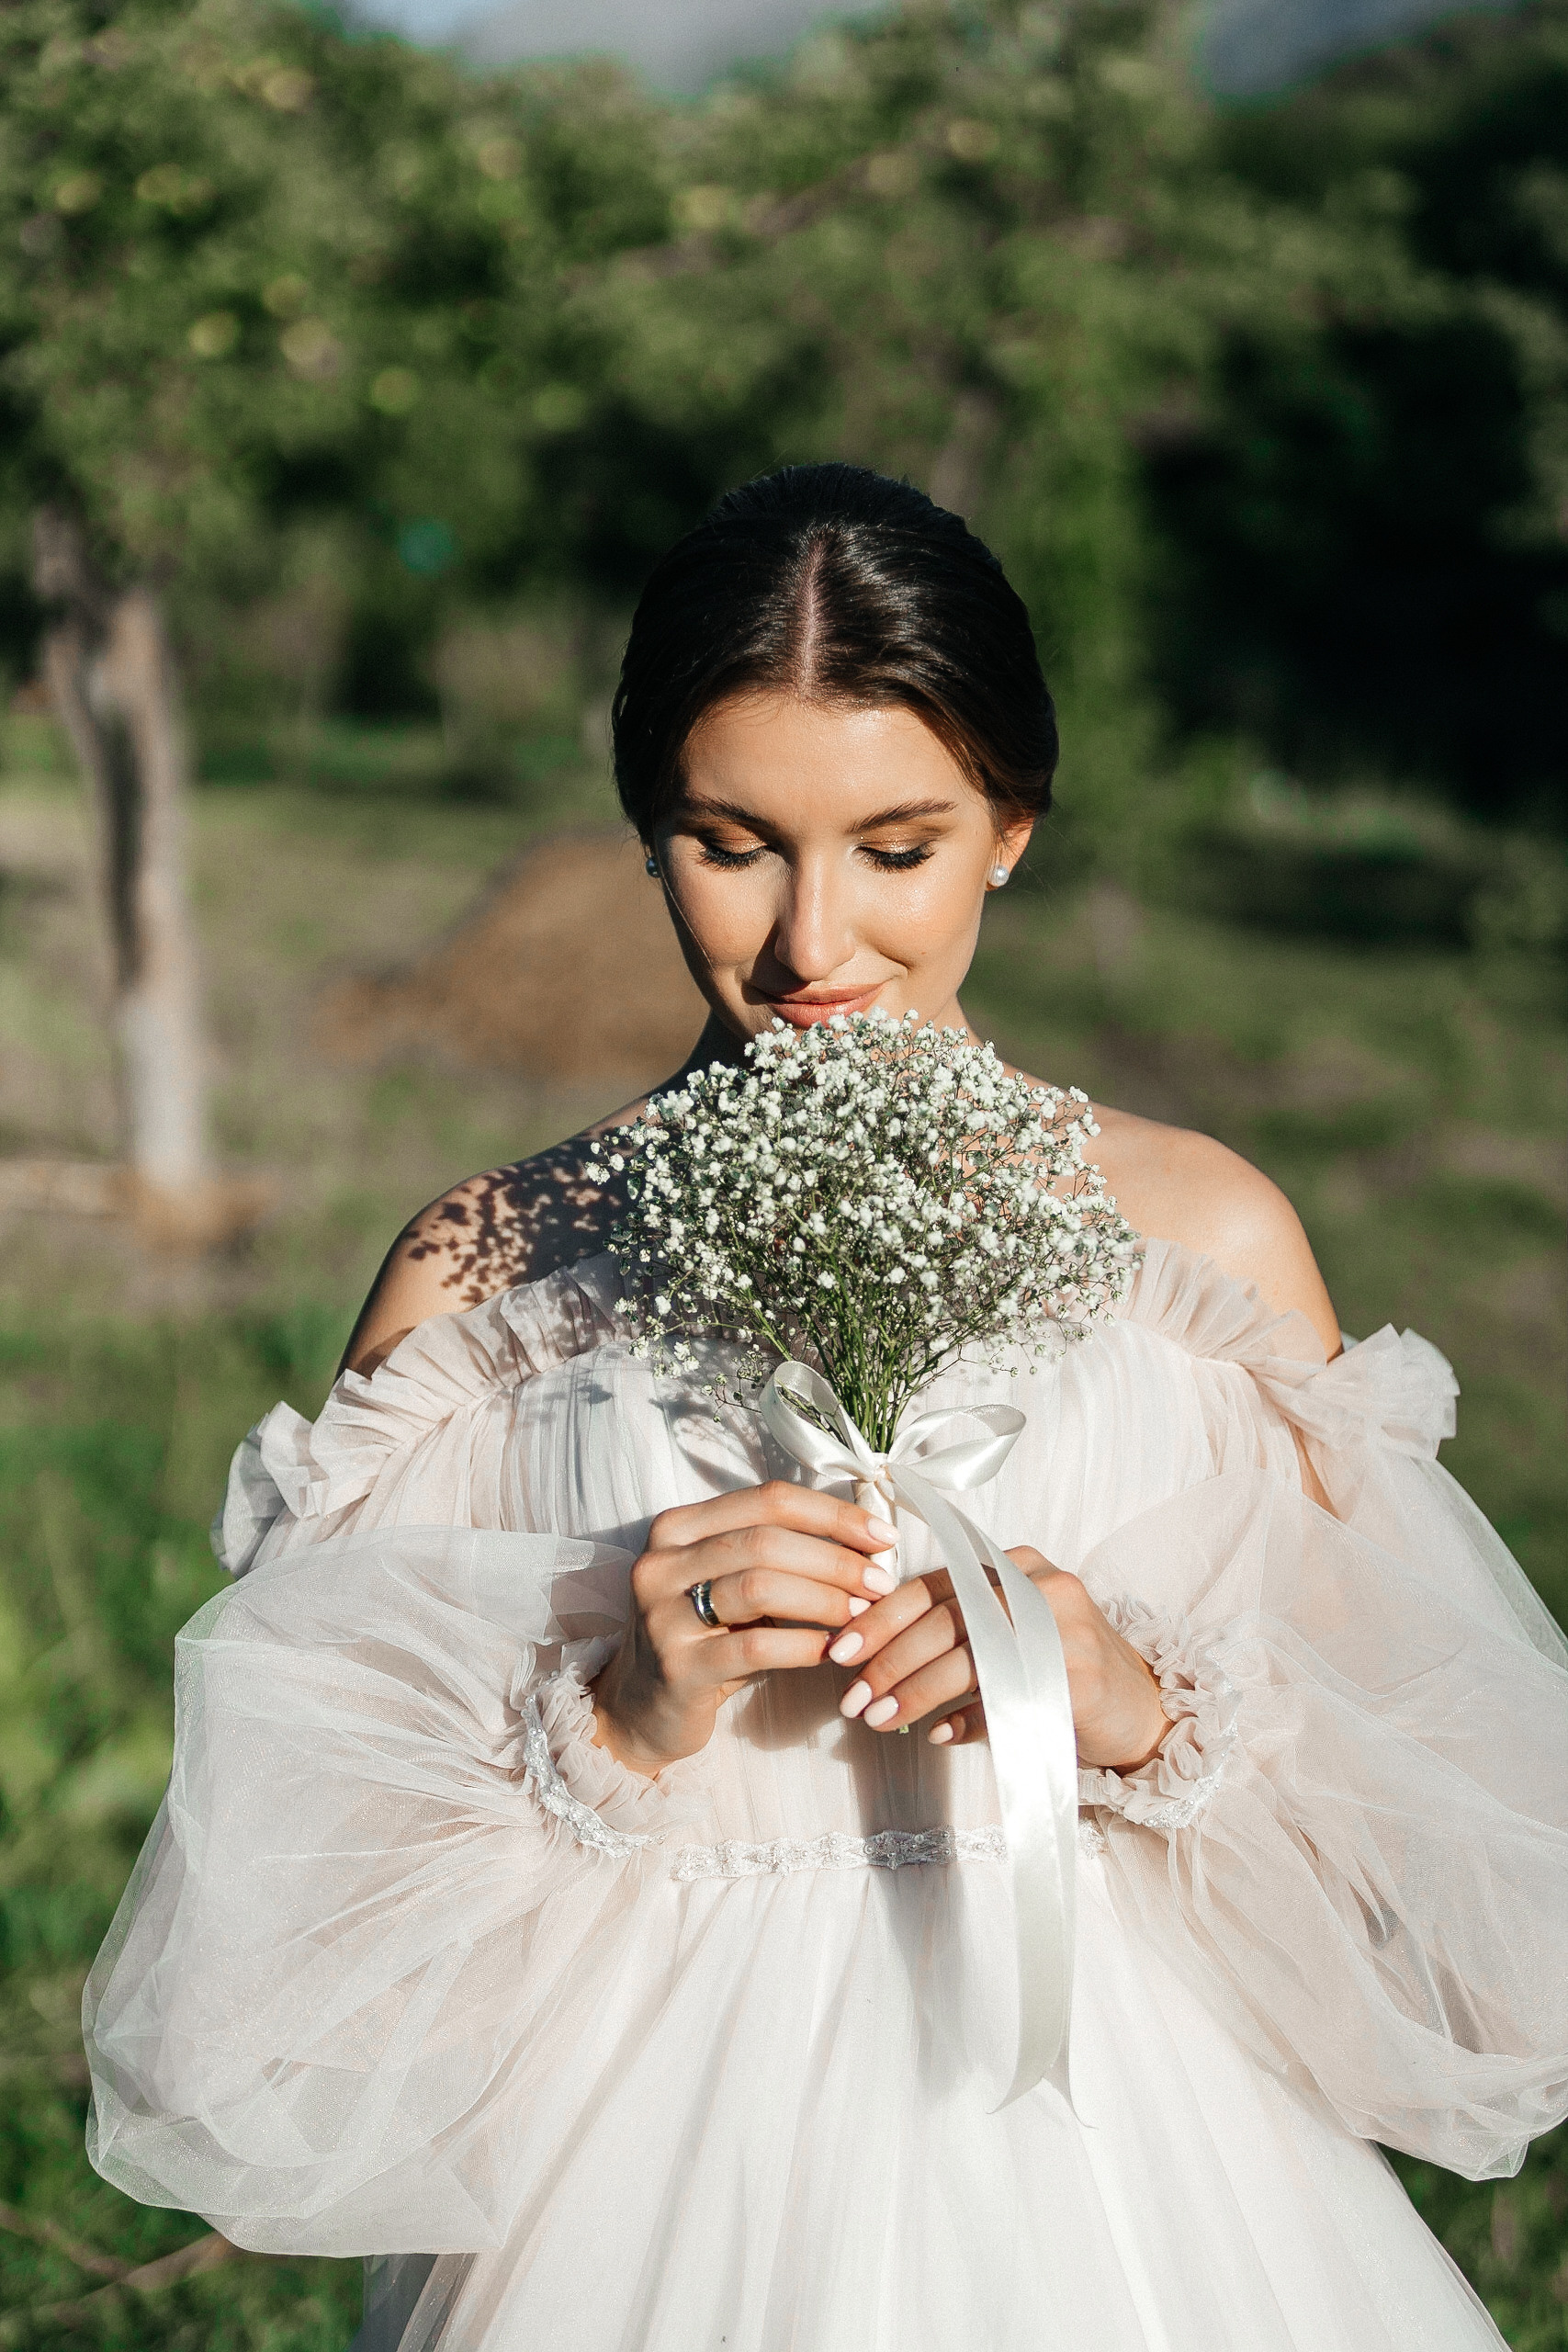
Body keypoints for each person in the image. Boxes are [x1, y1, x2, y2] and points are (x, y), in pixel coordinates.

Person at [85, 465, 1568, 2352]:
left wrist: (1134, 1705)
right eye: (729, 840)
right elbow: (297, 1925)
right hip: (625, 2196)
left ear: (1009, 826)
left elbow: (1422, 1852)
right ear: (643, 826)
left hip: (1124, 2179)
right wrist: (614, 1712)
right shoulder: (489, 1280)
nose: (808, 941)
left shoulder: (1199, 1239)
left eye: (896, 843)